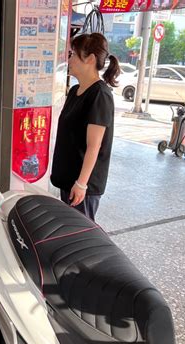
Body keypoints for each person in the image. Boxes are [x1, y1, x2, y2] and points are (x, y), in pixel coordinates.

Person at [51, 33, 120, 221]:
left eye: (73, 54)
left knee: (81, 238)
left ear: (89, 59)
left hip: (83, 186)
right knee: (70, 233)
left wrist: (81, 184)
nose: (69, 59)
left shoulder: (100, 95)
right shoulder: (75, 91)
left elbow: (94, 146)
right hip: (69, 179)